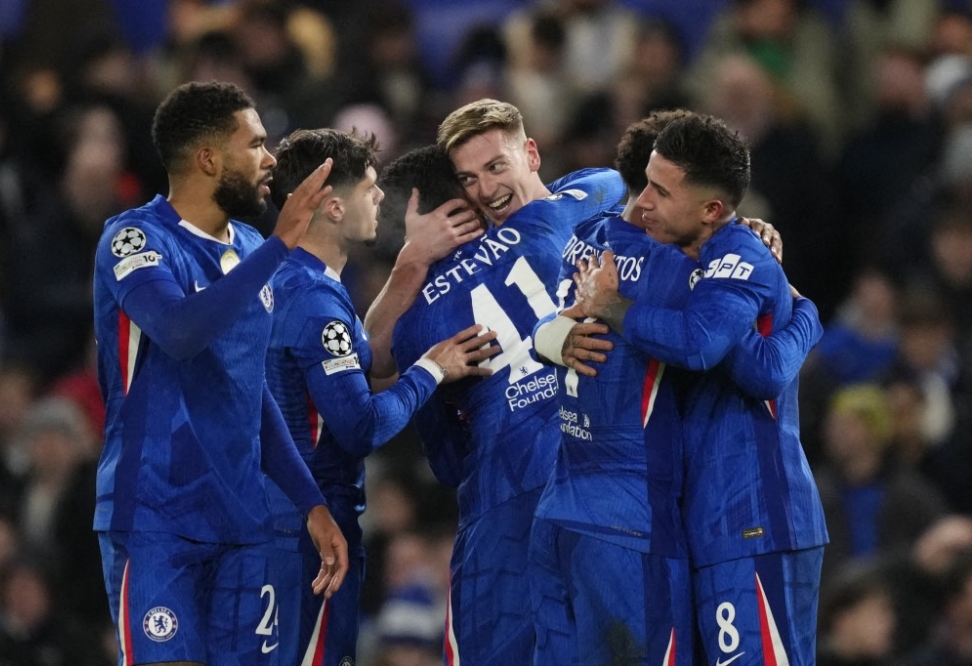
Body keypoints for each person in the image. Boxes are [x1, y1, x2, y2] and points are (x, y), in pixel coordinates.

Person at [529, 109, 823, 664]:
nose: (643, 204)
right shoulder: (682, 260)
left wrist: (806, 311)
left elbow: (725, 355)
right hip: (699, 524)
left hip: (754, 515)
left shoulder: (729, 258)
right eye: (643, 186)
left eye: (659, 192)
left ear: (710, 208)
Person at [91, 80, 348, 666]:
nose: (271, 159)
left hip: (241, 522)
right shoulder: (136, 238)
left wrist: (310, 502)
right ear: (209, 158)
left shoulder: (253, 246)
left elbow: (249, 392)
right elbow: (179, 332)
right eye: (255, 144)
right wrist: (282, 244)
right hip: (156, 517)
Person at [383, 99, 628, 664]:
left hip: (501, 502)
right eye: (471, 179)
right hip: (596, 476)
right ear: (459, 199)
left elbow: (446, 462)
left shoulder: (416, 320)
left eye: (496, 167)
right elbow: (609, 180)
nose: (488, 189)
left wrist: (410, 265)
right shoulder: (557, 216)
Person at [262, 128, 499, 666]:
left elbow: (357, 369)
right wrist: (431, 369)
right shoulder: (316, 303)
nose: (379, 198)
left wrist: (410, 264)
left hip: (277, 518)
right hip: (310, 524)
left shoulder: (284, 281)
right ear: (333, 208)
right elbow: (362, 425)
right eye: (369, 187)